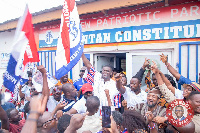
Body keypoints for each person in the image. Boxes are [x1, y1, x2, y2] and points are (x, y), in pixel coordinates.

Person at [0, 65, 49, 133]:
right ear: (10, 120)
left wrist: (44, 75)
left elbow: (45, 96)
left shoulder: (25, 122)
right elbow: (4, 119)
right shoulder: (10, 126)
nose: (19, 114)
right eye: (16, 115)